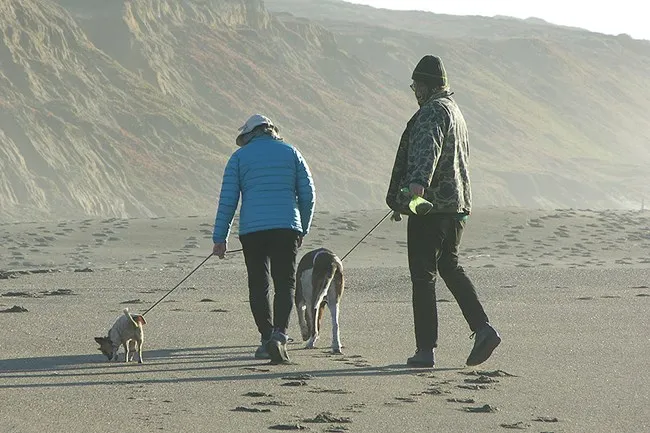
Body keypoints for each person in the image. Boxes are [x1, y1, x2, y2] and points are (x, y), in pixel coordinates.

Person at [386, 55, 501, 368]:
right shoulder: (454, 109)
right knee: (449, 266)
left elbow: (428, 149)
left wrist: (415, 188)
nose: (414, 91)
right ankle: (483, 329)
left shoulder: (433, 111)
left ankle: (425, 350)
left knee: (422, 276)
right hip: (456, 205)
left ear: (426, 85)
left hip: (430, 207)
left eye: (416, 85)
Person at [212, 114, 315, 364]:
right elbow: (308, 194)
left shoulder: (238, 158)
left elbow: (228, 200)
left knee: (258, 285)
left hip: (253, 230)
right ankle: (280, 334)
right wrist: (302, 227)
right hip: (286, 227)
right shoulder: (292, 152)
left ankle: (266, 337)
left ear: (249, 135)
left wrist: (219, 238)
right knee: (285, 283)